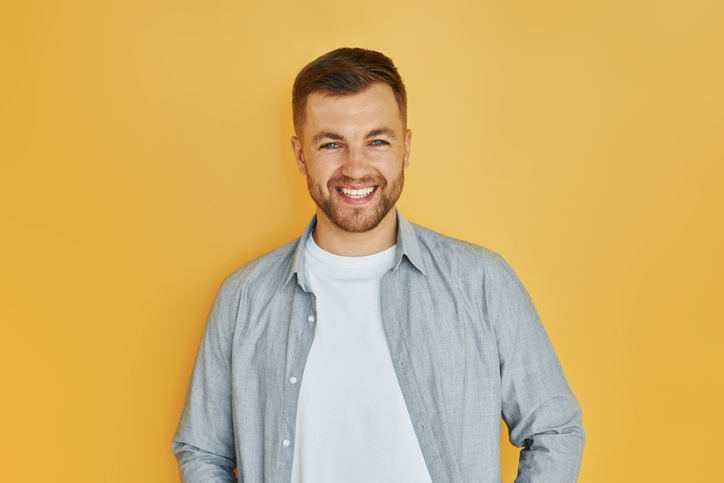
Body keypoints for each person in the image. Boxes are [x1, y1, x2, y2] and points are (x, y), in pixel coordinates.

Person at [172, 47, 585, 483]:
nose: (355, 167)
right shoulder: (244, 298)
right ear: (300, 155)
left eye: (377, 141)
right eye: (332, 143)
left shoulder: (481, 282)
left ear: (405, 148)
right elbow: (202, 450)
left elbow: (555, 430)